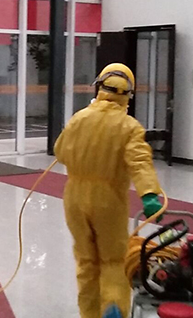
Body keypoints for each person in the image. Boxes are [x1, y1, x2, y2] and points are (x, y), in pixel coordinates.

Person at [54, 63, 163, 318]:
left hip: (74, 199)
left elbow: (60, 153)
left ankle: (90, 314)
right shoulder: (129, 126)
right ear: (128, 94)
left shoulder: (79, 118)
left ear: (99, 86)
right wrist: (149, 194)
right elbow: (139, 162)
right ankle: (113, 305)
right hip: (109, 201)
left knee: (86, 261)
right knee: (113, 260)